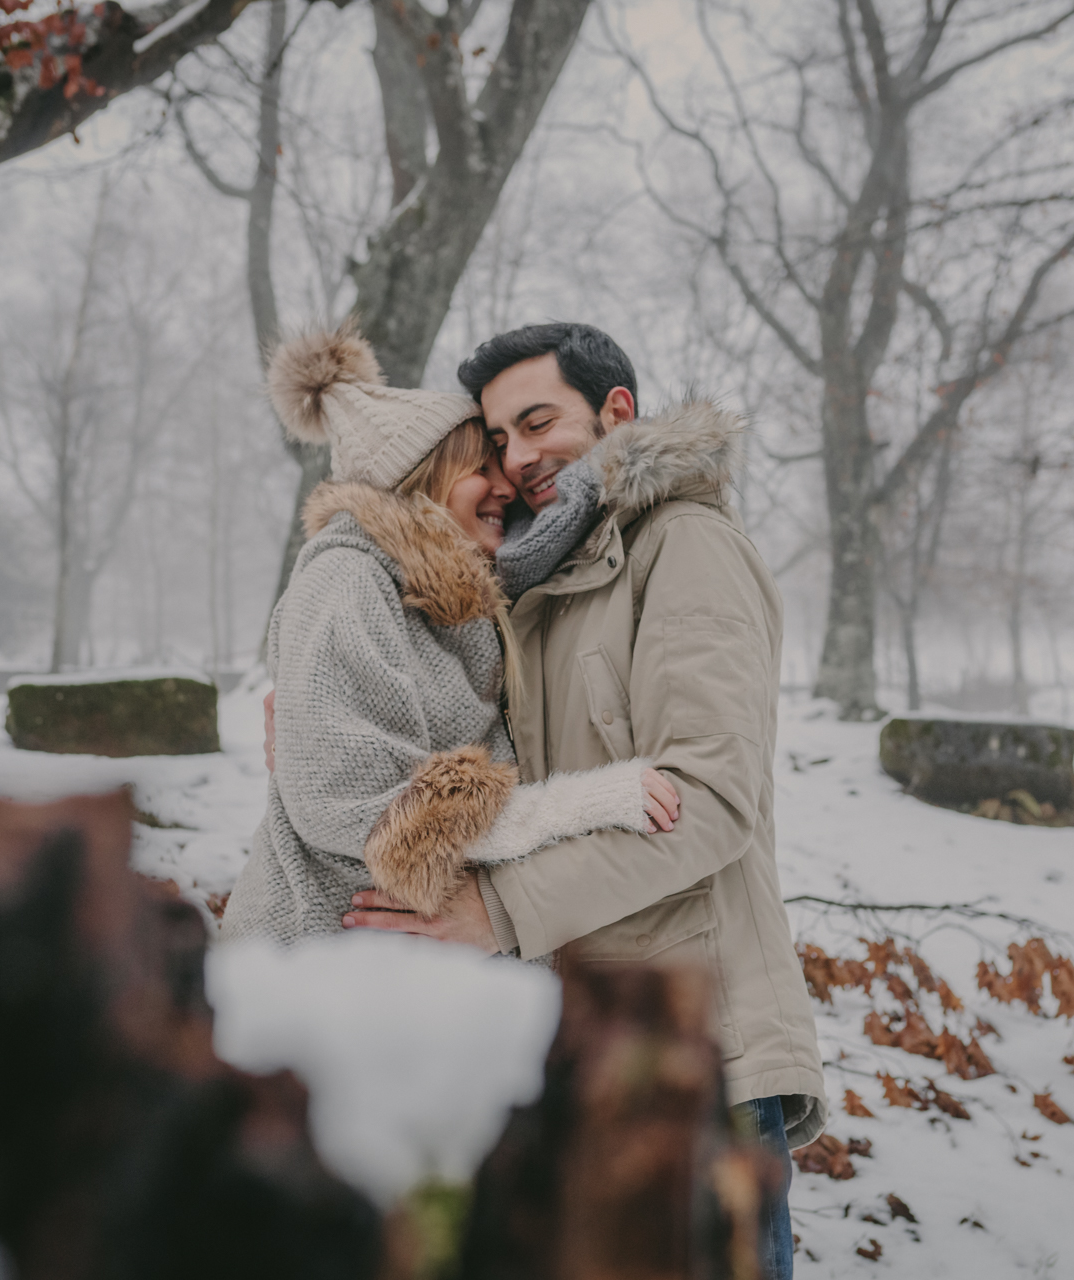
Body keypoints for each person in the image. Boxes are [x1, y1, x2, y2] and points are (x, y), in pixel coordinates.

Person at [344, 323, 824, 1280]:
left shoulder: (683, 547)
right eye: (500, 439)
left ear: (616, 412)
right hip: (575, 1039)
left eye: (537, 422)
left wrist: (498, 911)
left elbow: (712, 800)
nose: (518, 461)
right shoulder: (535, 584)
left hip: (697, 1043)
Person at [221, 324, 681, 945]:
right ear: (422, 481)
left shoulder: (468, 609)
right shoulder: (347, 578)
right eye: (479, 467)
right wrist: (589, 803)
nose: (506, 483)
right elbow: (367, 810)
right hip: (321, 968)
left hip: (420, 982)